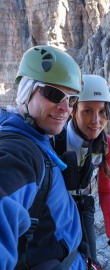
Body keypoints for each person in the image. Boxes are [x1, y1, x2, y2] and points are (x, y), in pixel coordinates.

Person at [0, 45, 86, 269]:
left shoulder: (37, 136)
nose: (65, 108)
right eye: (54, 94)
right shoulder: (18, 152)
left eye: (72, 99)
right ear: (27, 92)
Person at [54, 74, 110, 269]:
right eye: (87, 110)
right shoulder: (55, 139)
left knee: (90, 262)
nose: (96, 120)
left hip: (85, 207)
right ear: (73, 110)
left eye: (102, 111)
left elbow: (105, 191)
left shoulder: (107, 145)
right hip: (56, 209)